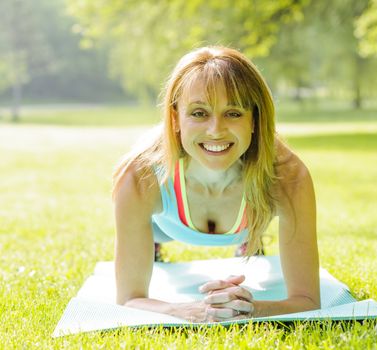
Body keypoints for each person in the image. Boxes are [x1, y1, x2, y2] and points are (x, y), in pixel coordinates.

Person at [112, 46, 319, 322]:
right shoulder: (139, 177)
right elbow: (128, 298)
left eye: (233, 113)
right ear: (175, 119)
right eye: (199, 113)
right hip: (165, 225)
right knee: (157, 236)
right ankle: (154, 246)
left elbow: (307, 299)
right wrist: (185, 310)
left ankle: (251, 239)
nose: (215, 130)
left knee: (255, 220)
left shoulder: (289, 178)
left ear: (255, 120)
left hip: (249, 218)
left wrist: (250, 308)